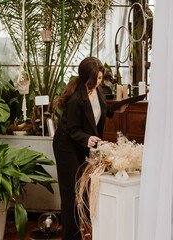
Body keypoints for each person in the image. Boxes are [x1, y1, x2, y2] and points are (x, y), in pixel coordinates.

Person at [53, 56, 127, 240]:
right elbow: (71, 129)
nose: (101, 82)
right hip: (66, 145)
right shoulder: (76, 98)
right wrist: (87, 138)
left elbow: (97, 111)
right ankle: (70, 237)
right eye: (98, 79)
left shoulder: (95, 90)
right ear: (88, 78)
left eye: (101, 78)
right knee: (71, 194)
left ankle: (80, 234)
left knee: (82, 191)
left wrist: (115, 110)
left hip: (81, 143)